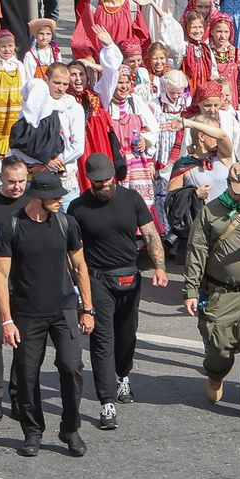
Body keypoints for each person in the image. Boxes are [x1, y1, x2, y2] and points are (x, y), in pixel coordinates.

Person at [66, 150, 166, 433]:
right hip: (98, 280)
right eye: (98, 183)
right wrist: (77, 289)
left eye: (108, 180)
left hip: (129, 278)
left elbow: (149, 233)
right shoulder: (78, 207)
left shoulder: (131, 199)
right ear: (88, 181)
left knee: (126, 336)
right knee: (102, 340)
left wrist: (159, 266)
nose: (104, 186)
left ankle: (123, 375)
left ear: (114, 175)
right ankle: (106, 402)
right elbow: (72, 252)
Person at [0, 168, 91, 456]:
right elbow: (1, 275)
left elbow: (80, 267)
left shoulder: (66, 223)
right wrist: (7, 320)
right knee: (26, 374)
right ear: (38, 196)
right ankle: (32, 432)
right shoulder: (11, 226)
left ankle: (70, 429)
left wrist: (88, 308)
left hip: (63, 309)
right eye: (55, 196)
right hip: (26, 313)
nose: (61, 199)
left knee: (72, 368)